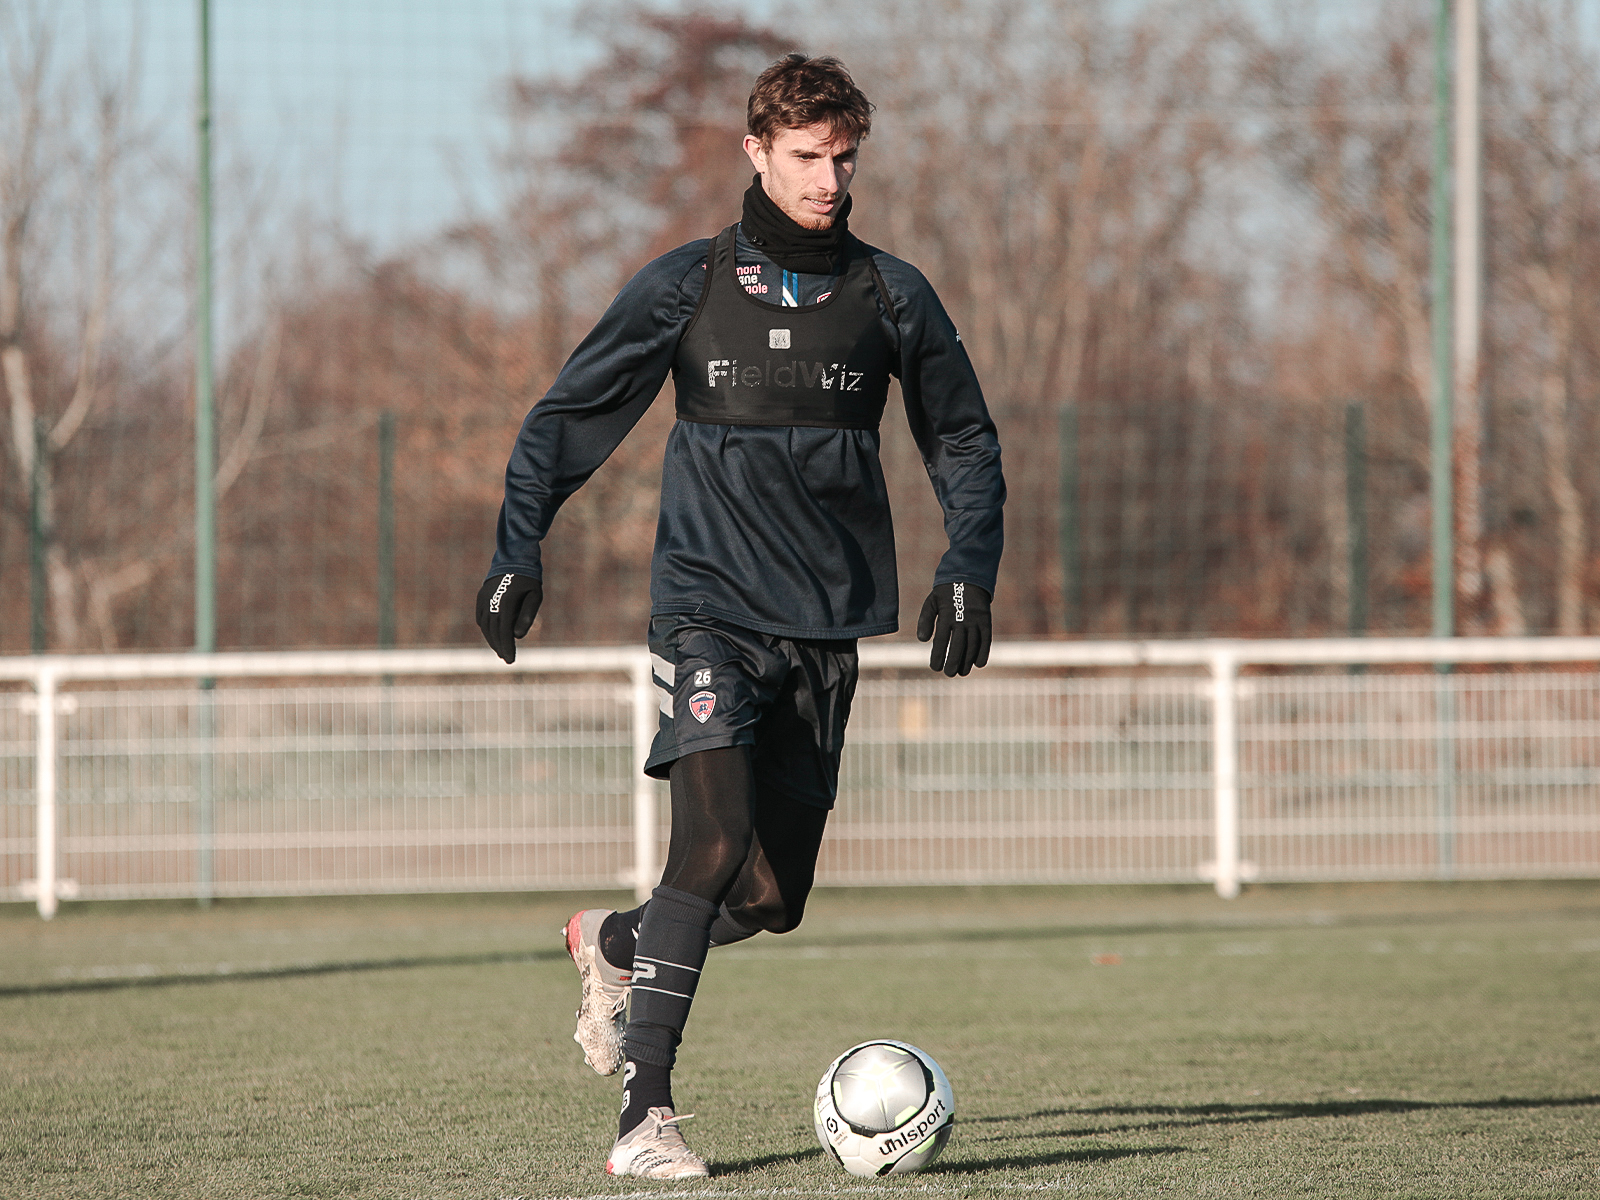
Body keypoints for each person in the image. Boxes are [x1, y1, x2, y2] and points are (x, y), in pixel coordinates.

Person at [476, 53, 1005, 1179]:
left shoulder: (891, 294)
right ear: (757, 152)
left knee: (769, 897)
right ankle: (645, 1119)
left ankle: (615, 944)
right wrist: (518, 546)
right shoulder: (688, 285)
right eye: (807, 155)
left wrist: (969, 565)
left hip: (825, 628)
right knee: (709, 845)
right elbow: (566, 418)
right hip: (707, 610)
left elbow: (960, 436)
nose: (828, 176)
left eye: (844, 155)